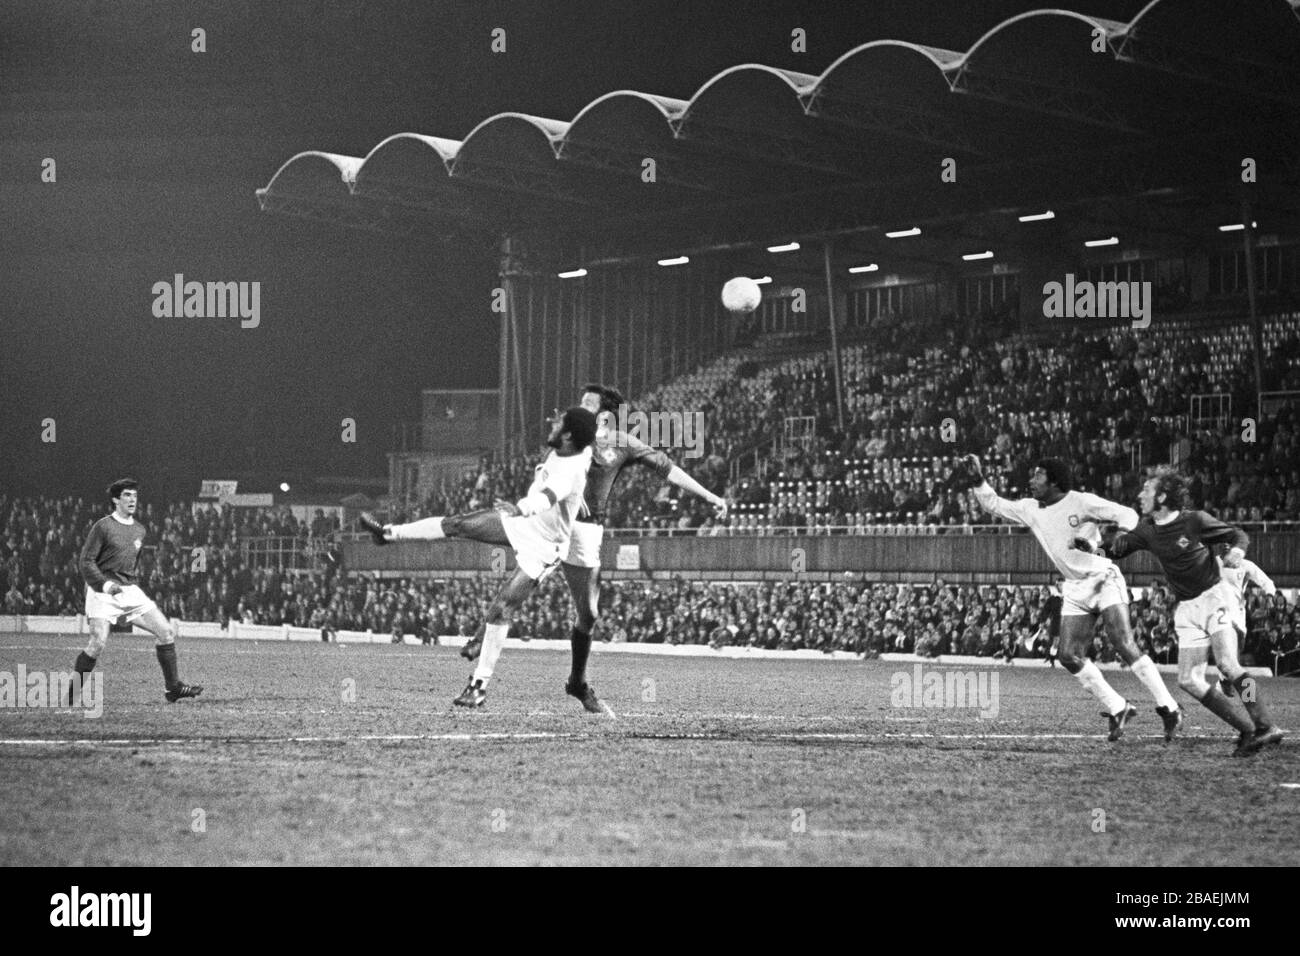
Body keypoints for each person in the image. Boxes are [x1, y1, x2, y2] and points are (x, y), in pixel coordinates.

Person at [462, 384, 727, 710]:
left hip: (587, 534)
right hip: (554, 522)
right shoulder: (568, 440)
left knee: (588, 614)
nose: (579, 406)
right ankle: (482, 652)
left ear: (603, 414)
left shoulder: (622, 443)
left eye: (587, 403)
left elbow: (668, 468)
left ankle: (577, 682)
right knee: (518, 584)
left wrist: (710, 496)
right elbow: (543, 477)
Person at [360, 407, 598, 710]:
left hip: (543, 546)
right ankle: (387, 534)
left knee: (502, 607)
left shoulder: (569, 471)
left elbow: (547, 496)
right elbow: (590, 445)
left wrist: (521, 507)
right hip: (522, 526)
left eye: (559, 421)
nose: (552, 422)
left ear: (567, 436)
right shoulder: (580, 449)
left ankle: (478, 686)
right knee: (458, 523)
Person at [958, 455, 1182, 742]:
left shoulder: (1082, 501)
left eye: (1037, 475)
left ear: (1054, 480)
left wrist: (1116, 540)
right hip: (1075, 587)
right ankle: (1118, 707)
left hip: (1103, 577)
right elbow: (994, 504)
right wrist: (978, 480)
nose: (1031, 480)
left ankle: (1169, 707)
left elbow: (1129, 515)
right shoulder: (1030, 508)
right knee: (1068, 655)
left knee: (1123, 643)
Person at [1099, 466, 1284, 756]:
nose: (1140, 494)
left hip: (1215, 597)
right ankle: (1246, 730)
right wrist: (1095, 547)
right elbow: (1118, 548)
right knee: (1189, 680)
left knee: (1227, 664)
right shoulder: (1148, 531)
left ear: (1161, 496)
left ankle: (1265, 725)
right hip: (1187, 608)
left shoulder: (1195, 521)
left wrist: (1237, 551)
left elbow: (1237, 535)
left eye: (1146, 490)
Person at [71, 478, 203, 704]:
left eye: (134, 495)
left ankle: (173, 688)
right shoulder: (102, 526)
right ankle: (70, 696)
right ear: (115, 499)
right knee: (98, 643)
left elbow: (131, 564)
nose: (132, 500)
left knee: (166, 632)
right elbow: (86, 561)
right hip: (103, 591)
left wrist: (127, 590)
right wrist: (104, 584)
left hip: (128, 590)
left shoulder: (140, 530)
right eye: (126, 495)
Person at [1214, 546, 1282, 696]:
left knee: (1238, 646)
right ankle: (1228, 682)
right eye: (1223, 545)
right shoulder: (1213, 564)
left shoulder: (1246, 565)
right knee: (1229, 645)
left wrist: (1270, 596)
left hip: (1239, 612)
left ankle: (1223, 681)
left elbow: (1266, 581)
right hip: (1220, 611)